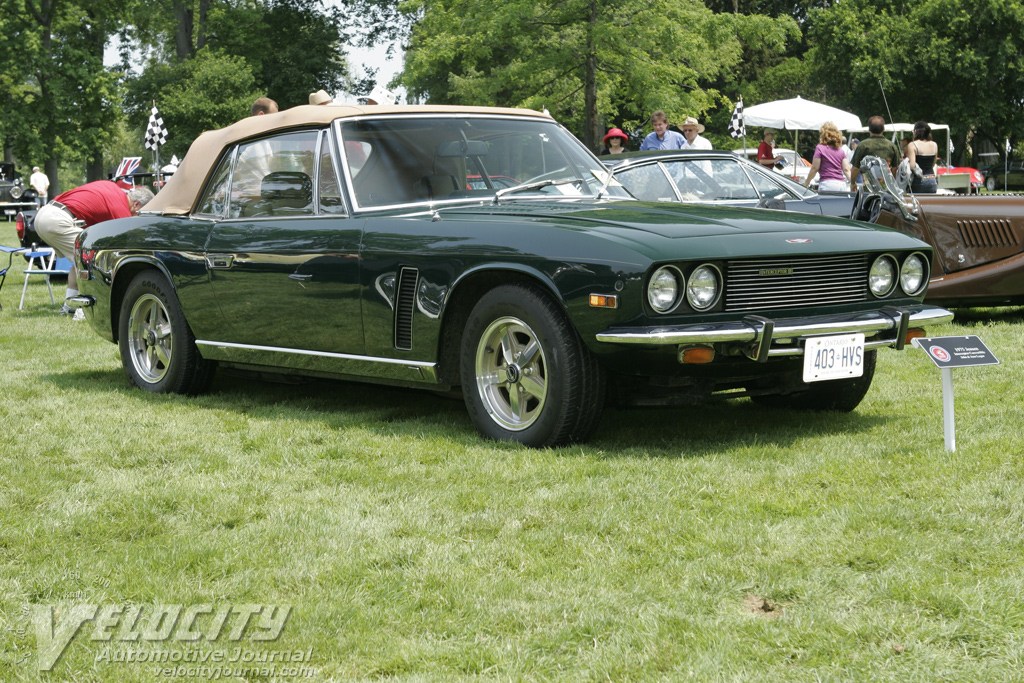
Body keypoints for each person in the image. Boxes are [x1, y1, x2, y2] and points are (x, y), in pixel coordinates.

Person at [33, 181, 154, 315]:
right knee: (90, 259)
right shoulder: (121, 208)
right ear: (136, 204)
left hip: (44, 214)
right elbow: (128, 242)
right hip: (57, 219)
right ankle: (83, 309)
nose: (138, 218)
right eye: (140, 214)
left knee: (80, 259)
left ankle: (70, 306)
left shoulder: (112, 188)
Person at [849, 116, 900, 190]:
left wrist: (853, 183)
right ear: (883, 129)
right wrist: (892, 183)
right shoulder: (892, 146)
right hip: (887, 187)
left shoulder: (863, 145)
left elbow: (855, 168)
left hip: (869, 187)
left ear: (869, 129)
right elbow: (895, 168)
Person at [804, 121, 852, 193]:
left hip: (827, 183)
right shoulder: (840, 151)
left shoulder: (820, 148)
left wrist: (806, 183)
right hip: (841, 184)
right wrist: (853, 183)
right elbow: (846, 170)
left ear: (823, 134)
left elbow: (815, 168)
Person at [906, 121, 938, 193]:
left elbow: (912, 166)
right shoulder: (934, 144)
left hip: (919, 180)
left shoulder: (913, 145)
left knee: (917, 203)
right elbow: (933, 163)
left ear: (915, 132)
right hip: (932, 179)